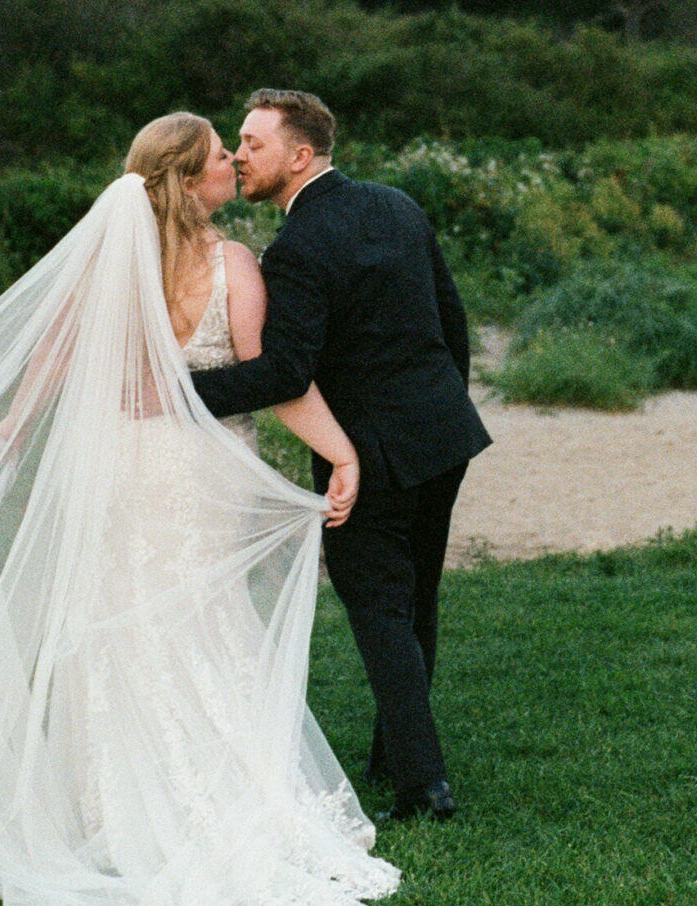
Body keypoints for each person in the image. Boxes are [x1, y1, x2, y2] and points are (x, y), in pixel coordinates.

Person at [0, 111, 397, 906]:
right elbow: (277, 378)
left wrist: (7, 433)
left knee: (120, 626)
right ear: (186, 181)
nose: (233, 168)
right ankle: (217, 805)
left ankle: (112, 816)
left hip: (120, 471)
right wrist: (342, 449)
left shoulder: (106, 262)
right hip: (197, 473)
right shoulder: (232, 263)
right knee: (205, 624)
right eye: (217, 161)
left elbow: (51, 352)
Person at [188, 89, 492, 826]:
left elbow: (284, 372)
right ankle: (397, 756)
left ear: (300, 155)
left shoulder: (297, 247)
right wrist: (440, 402)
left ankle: (424, 786)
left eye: (253, 143)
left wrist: (177, 390)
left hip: (372, 453)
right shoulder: (396, 204)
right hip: (443, 433)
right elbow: (453, 325)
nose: (238, 155)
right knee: (415, 598)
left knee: (379, 609)